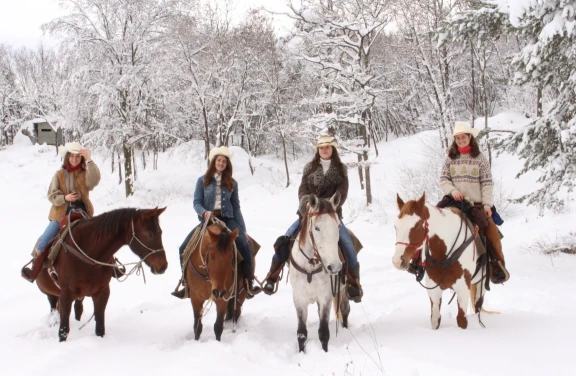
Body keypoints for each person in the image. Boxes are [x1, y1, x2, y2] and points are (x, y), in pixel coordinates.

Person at [261, 135, 363, 302]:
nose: (324, 150)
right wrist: (307, 203)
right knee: (285, 239)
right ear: (318, 150)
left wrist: (330, 204)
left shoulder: (340, 169)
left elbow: (341, 193)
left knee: (347, 243)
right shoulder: (309, 168)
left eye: (327, 147)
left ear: (333, 149)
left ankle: (353, 283)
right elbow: (302, 189)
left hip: (330, 214)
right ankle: (272, 276)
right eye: (321, 147)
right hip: (309, 213)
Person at [172, 146, 259, 299]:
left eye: (224, 161)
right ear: (213, 162)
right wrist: (204, 212)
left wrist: (242, 230)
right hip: (209, 220)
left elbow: (236, 207)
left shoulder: (232, 182)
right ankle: (187, 284)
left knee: (245, 245)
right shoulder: (202, 180)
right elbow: (196, 202)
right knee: (183, 248)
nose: (221, 163)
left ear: (227, 164)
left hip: (229, 219)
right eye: (218, 160)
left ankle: (248, 283)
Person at [438, 121, 510, 284]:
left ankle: (497, 267)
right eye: (458, 138)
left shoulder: (480, 158)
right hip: (453, 201)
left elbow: (487, 183)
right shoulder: (450, 158)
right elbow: (443, 179)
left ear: (470, 137)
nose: (461, 140)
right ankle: (421, 262)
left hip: (475, 204)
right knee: (430, 221)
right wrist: (453, 191)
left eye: (463, 137)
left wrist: (486, 205)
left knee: (491, 232)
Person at [22, 141, 101, 282]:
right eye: (72, 157)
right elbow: (51, 195)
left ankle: (109, 266)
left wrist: (89, 159)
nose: (75, 159)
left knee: (99, 236)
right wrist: (65, 197)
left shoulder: (85, 173)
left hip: (82, 212)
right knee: (47, 237)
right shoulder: (58, 175)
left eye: (78, 157)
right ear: (67, 157)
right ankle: (35, 267)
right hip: (61, 213)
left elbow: (94, 181)